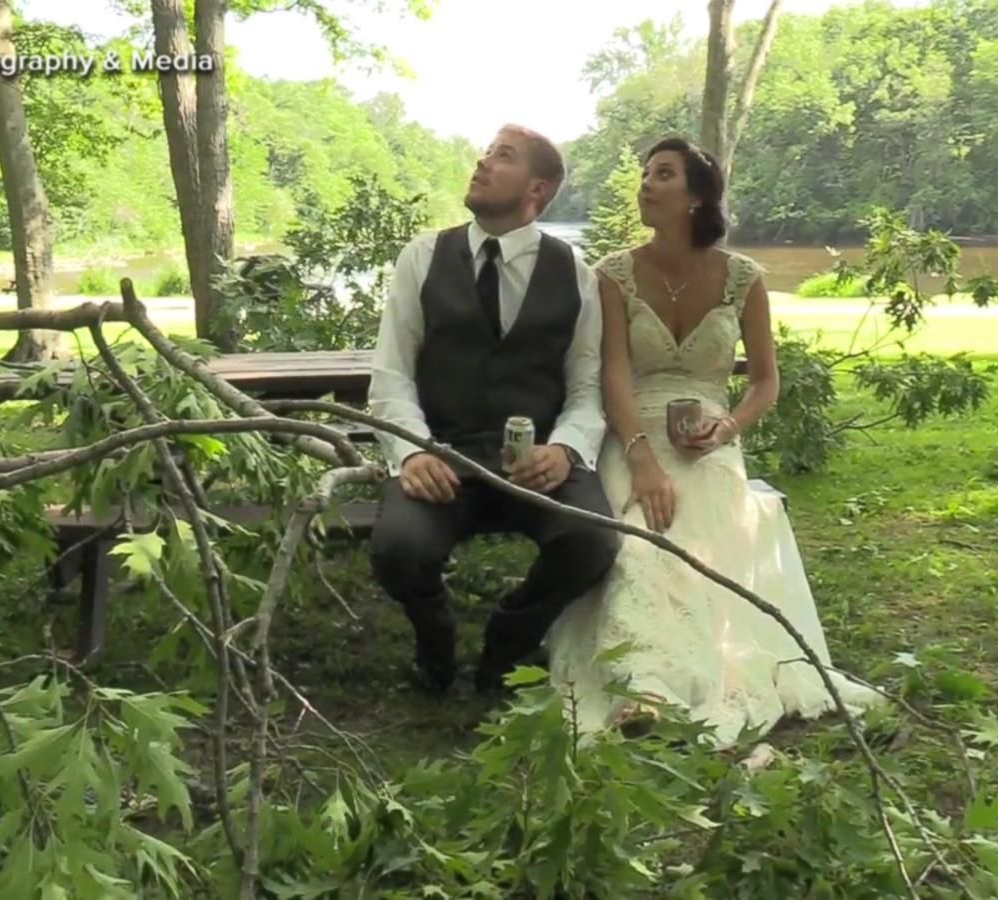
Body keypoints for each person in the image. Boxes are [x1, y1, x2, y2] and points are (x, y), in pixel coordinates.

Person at [543, 136, 884, 747]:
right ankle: (642, 683)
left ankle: (706, 671)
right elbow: (613, 375)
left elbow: (764, 382)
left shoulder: (744, 278)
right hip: (634, 432)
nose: (646, 183)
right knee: (644, 535)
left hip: (710, 438)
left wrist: (726, 428)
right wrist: (642, 456)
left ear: (698, 197)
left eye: (664, 174)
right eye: (645, 172)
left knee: (702, 535)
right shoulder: (612, 276)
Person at [367, 124, 619, 696]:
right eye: (484, 153)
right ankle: (436, 647)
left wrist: (567, 449)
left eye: (501, 157)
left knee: (593, 542)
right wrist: (411, 452)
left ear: (538, 188)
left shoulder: (575, 273)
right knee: (398, 551)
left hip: (536, 467)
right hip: (444, 459)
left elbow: (587, 387)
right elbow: (391, 375)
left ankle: (507, 643)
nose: (481, 163)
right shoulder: (423, 257)